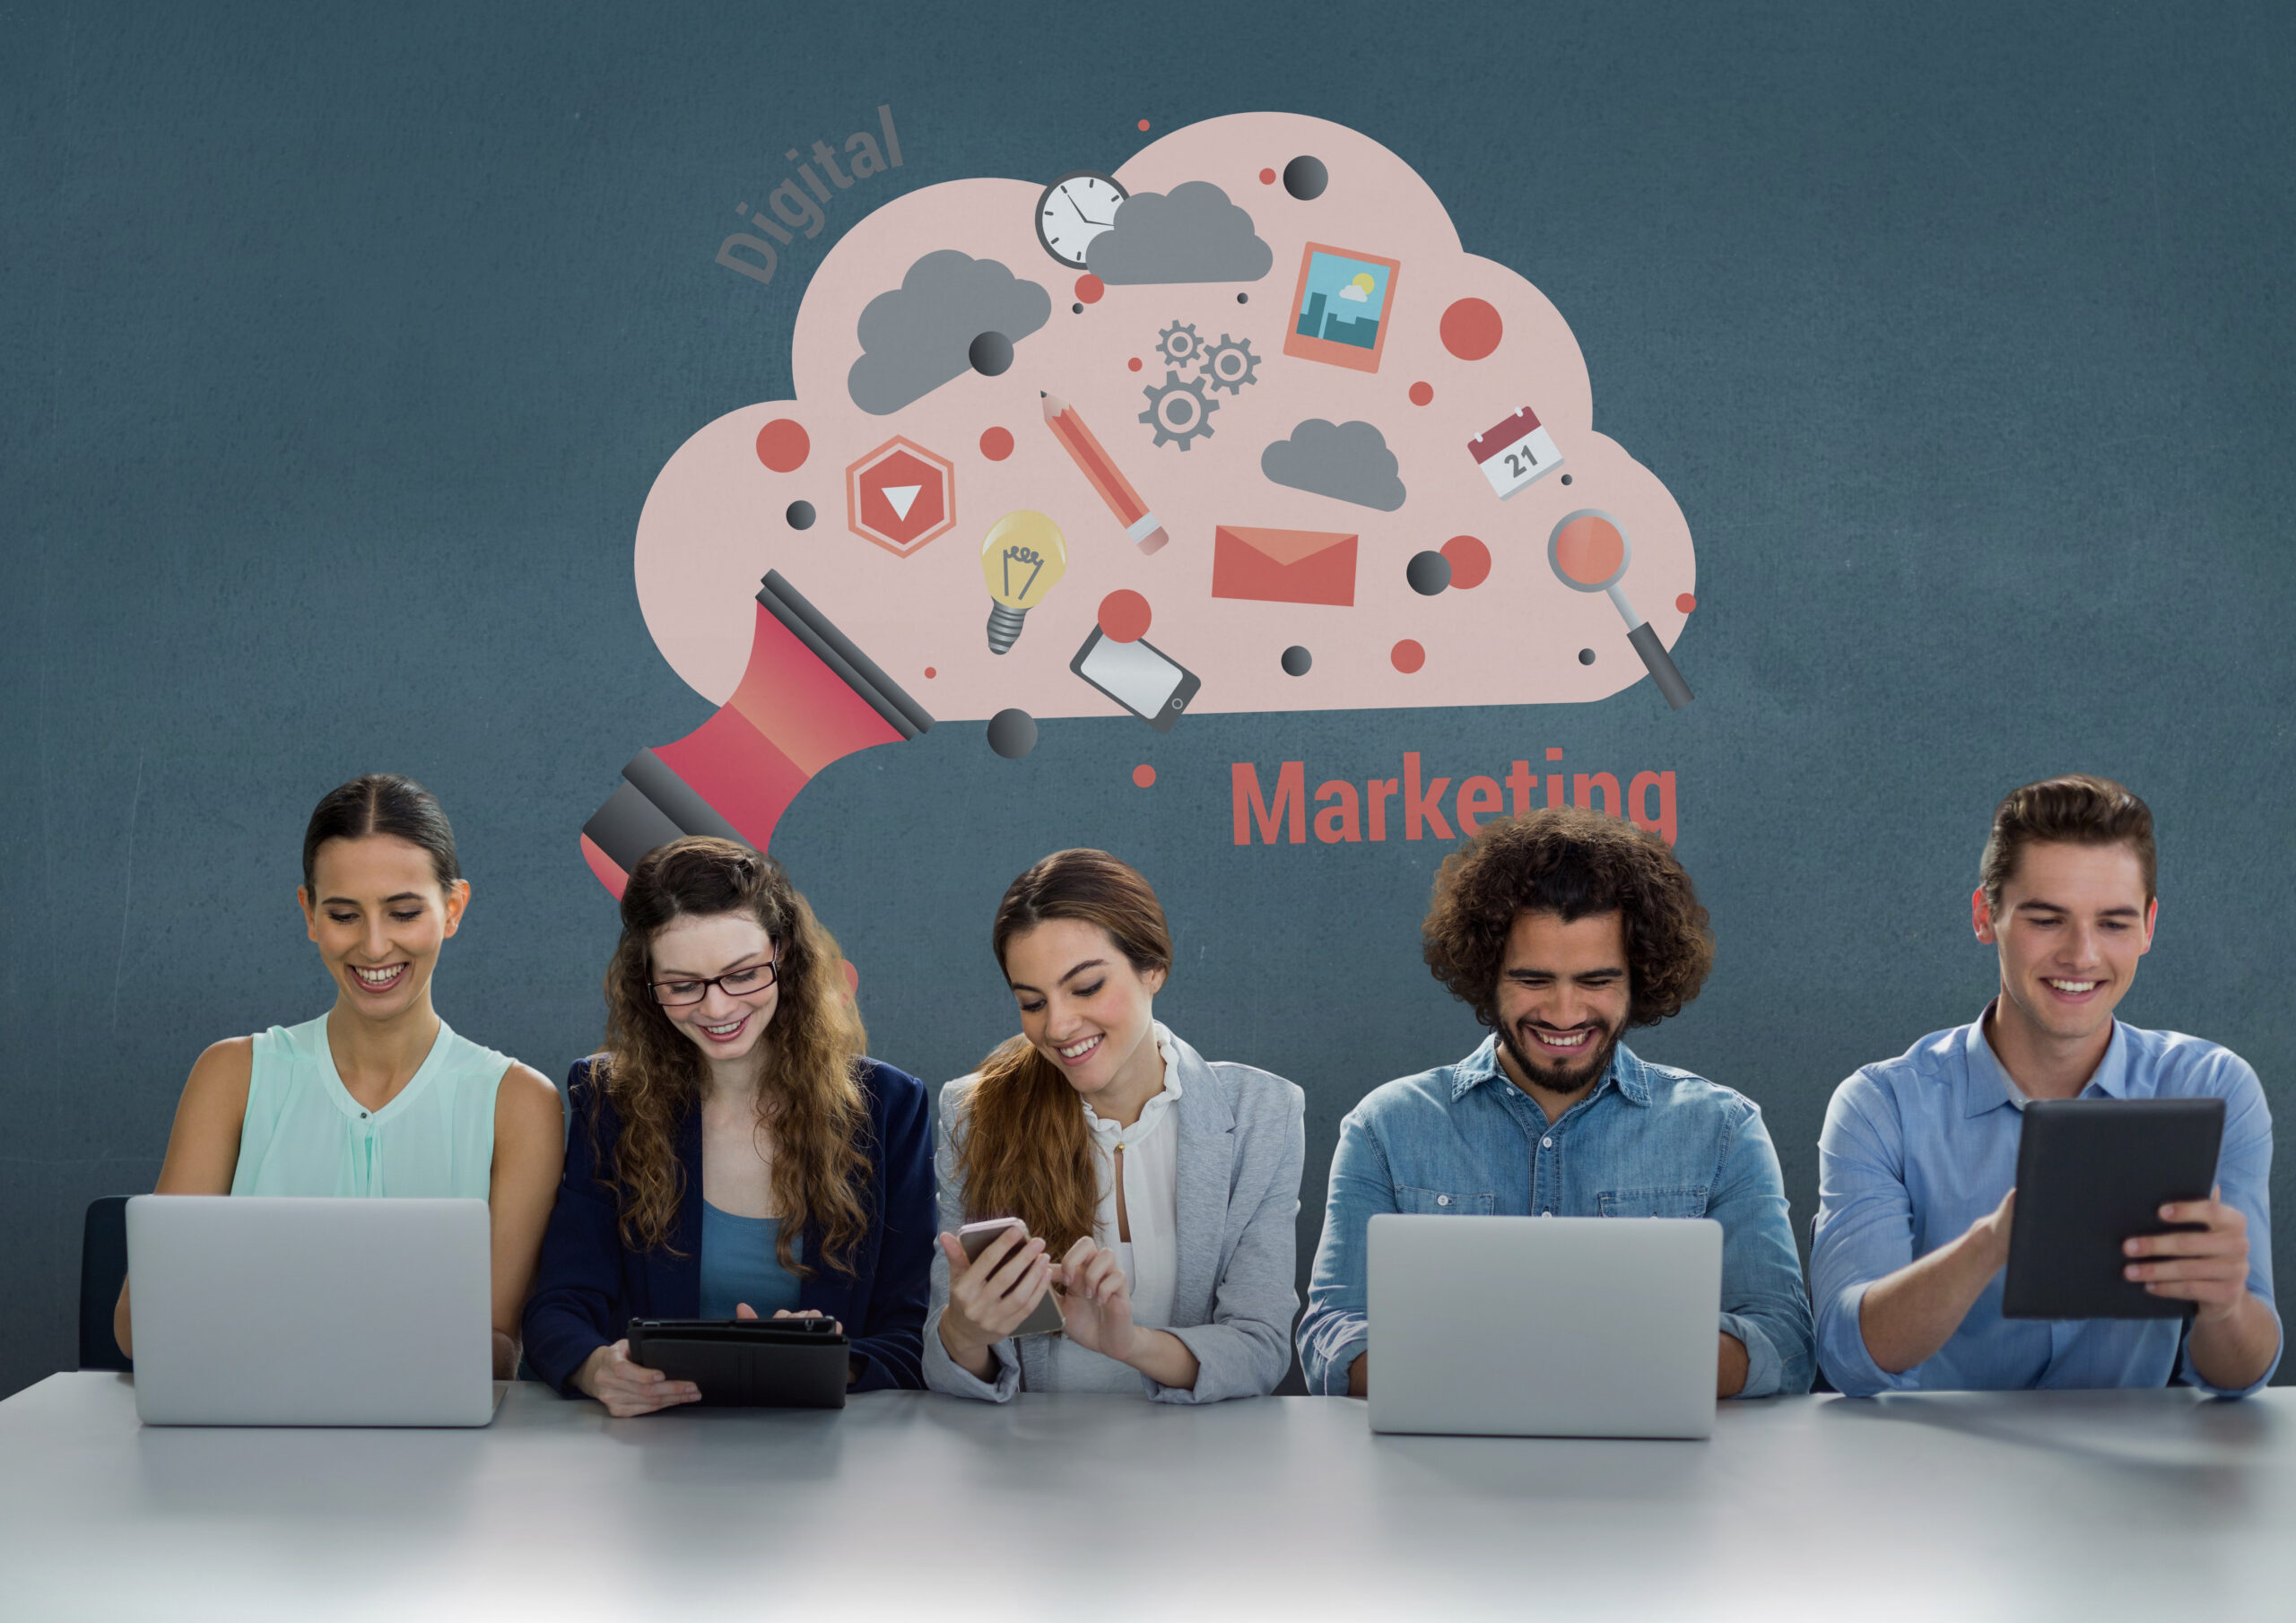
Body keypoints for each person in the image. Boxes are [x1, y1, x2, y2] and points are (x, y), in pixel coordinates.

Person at [1299, 809, 1814, 1400]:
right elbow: (1331, 1343)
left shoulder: (1722, 1130)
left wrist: (1511, 1358)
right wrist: (1601, 1355)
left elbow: (1786, 1345)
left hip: (1655, 1476)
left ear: (1639, 979)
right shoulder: (1387, 1127)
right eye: (1534, 980)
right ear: (1487, 974)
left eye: (1595, 981)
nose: (1565, 1013)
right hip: (1445, 1474)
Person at [1812, 776, 2280, 1396]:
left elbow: (2242, 1377)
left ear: (2148, 926)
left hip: (2132, 1473)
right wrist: (1994, 1242)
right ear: (1987, 916)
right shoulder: (1881, 1106)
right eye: (2047, 919)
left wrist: (2222, 1306)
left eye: (2113, 923)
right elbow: (1849, 1359)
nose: (2082, 955)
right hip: (1934, 1469)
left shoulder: (2214, 1088)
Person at [114, 773, 564, 1378]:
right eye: (345, 915)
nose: (375, 947)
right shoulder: (232, 1075)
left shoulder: (519, 1103)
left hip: (433, 1455)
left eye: (404, 912)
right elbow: (139, 1327)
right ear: (309, 914)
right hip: (241, 1438)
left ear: (453, 908)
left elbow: (494, 1348)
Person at [523, 838, 934, 1413]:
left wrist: (834, 1361)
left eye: (742, 975)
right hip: (653, 1450)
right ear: (647, 984)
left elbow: (914, 1332)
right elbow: (559, 1306)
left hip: (837, 1458)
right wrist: (596, 1369)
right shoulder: (609, 1098)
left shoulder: (889, 1106)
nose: (716, 1009)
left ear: (783, 954)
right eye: (683, 985)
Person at [926, 849, 1304, 1402]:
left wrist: (1130, 1344)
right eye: (1032, 1002)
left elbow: (1260, 1347)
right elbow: (941, 1367)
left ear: (1153, 969)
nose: (1057, 1025)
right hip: (1028, 1465)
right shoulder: (975, 1111)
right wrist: (965, 1330)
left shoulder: (1260, 1113)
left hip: (1203, 1464)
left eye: (1085, 988)